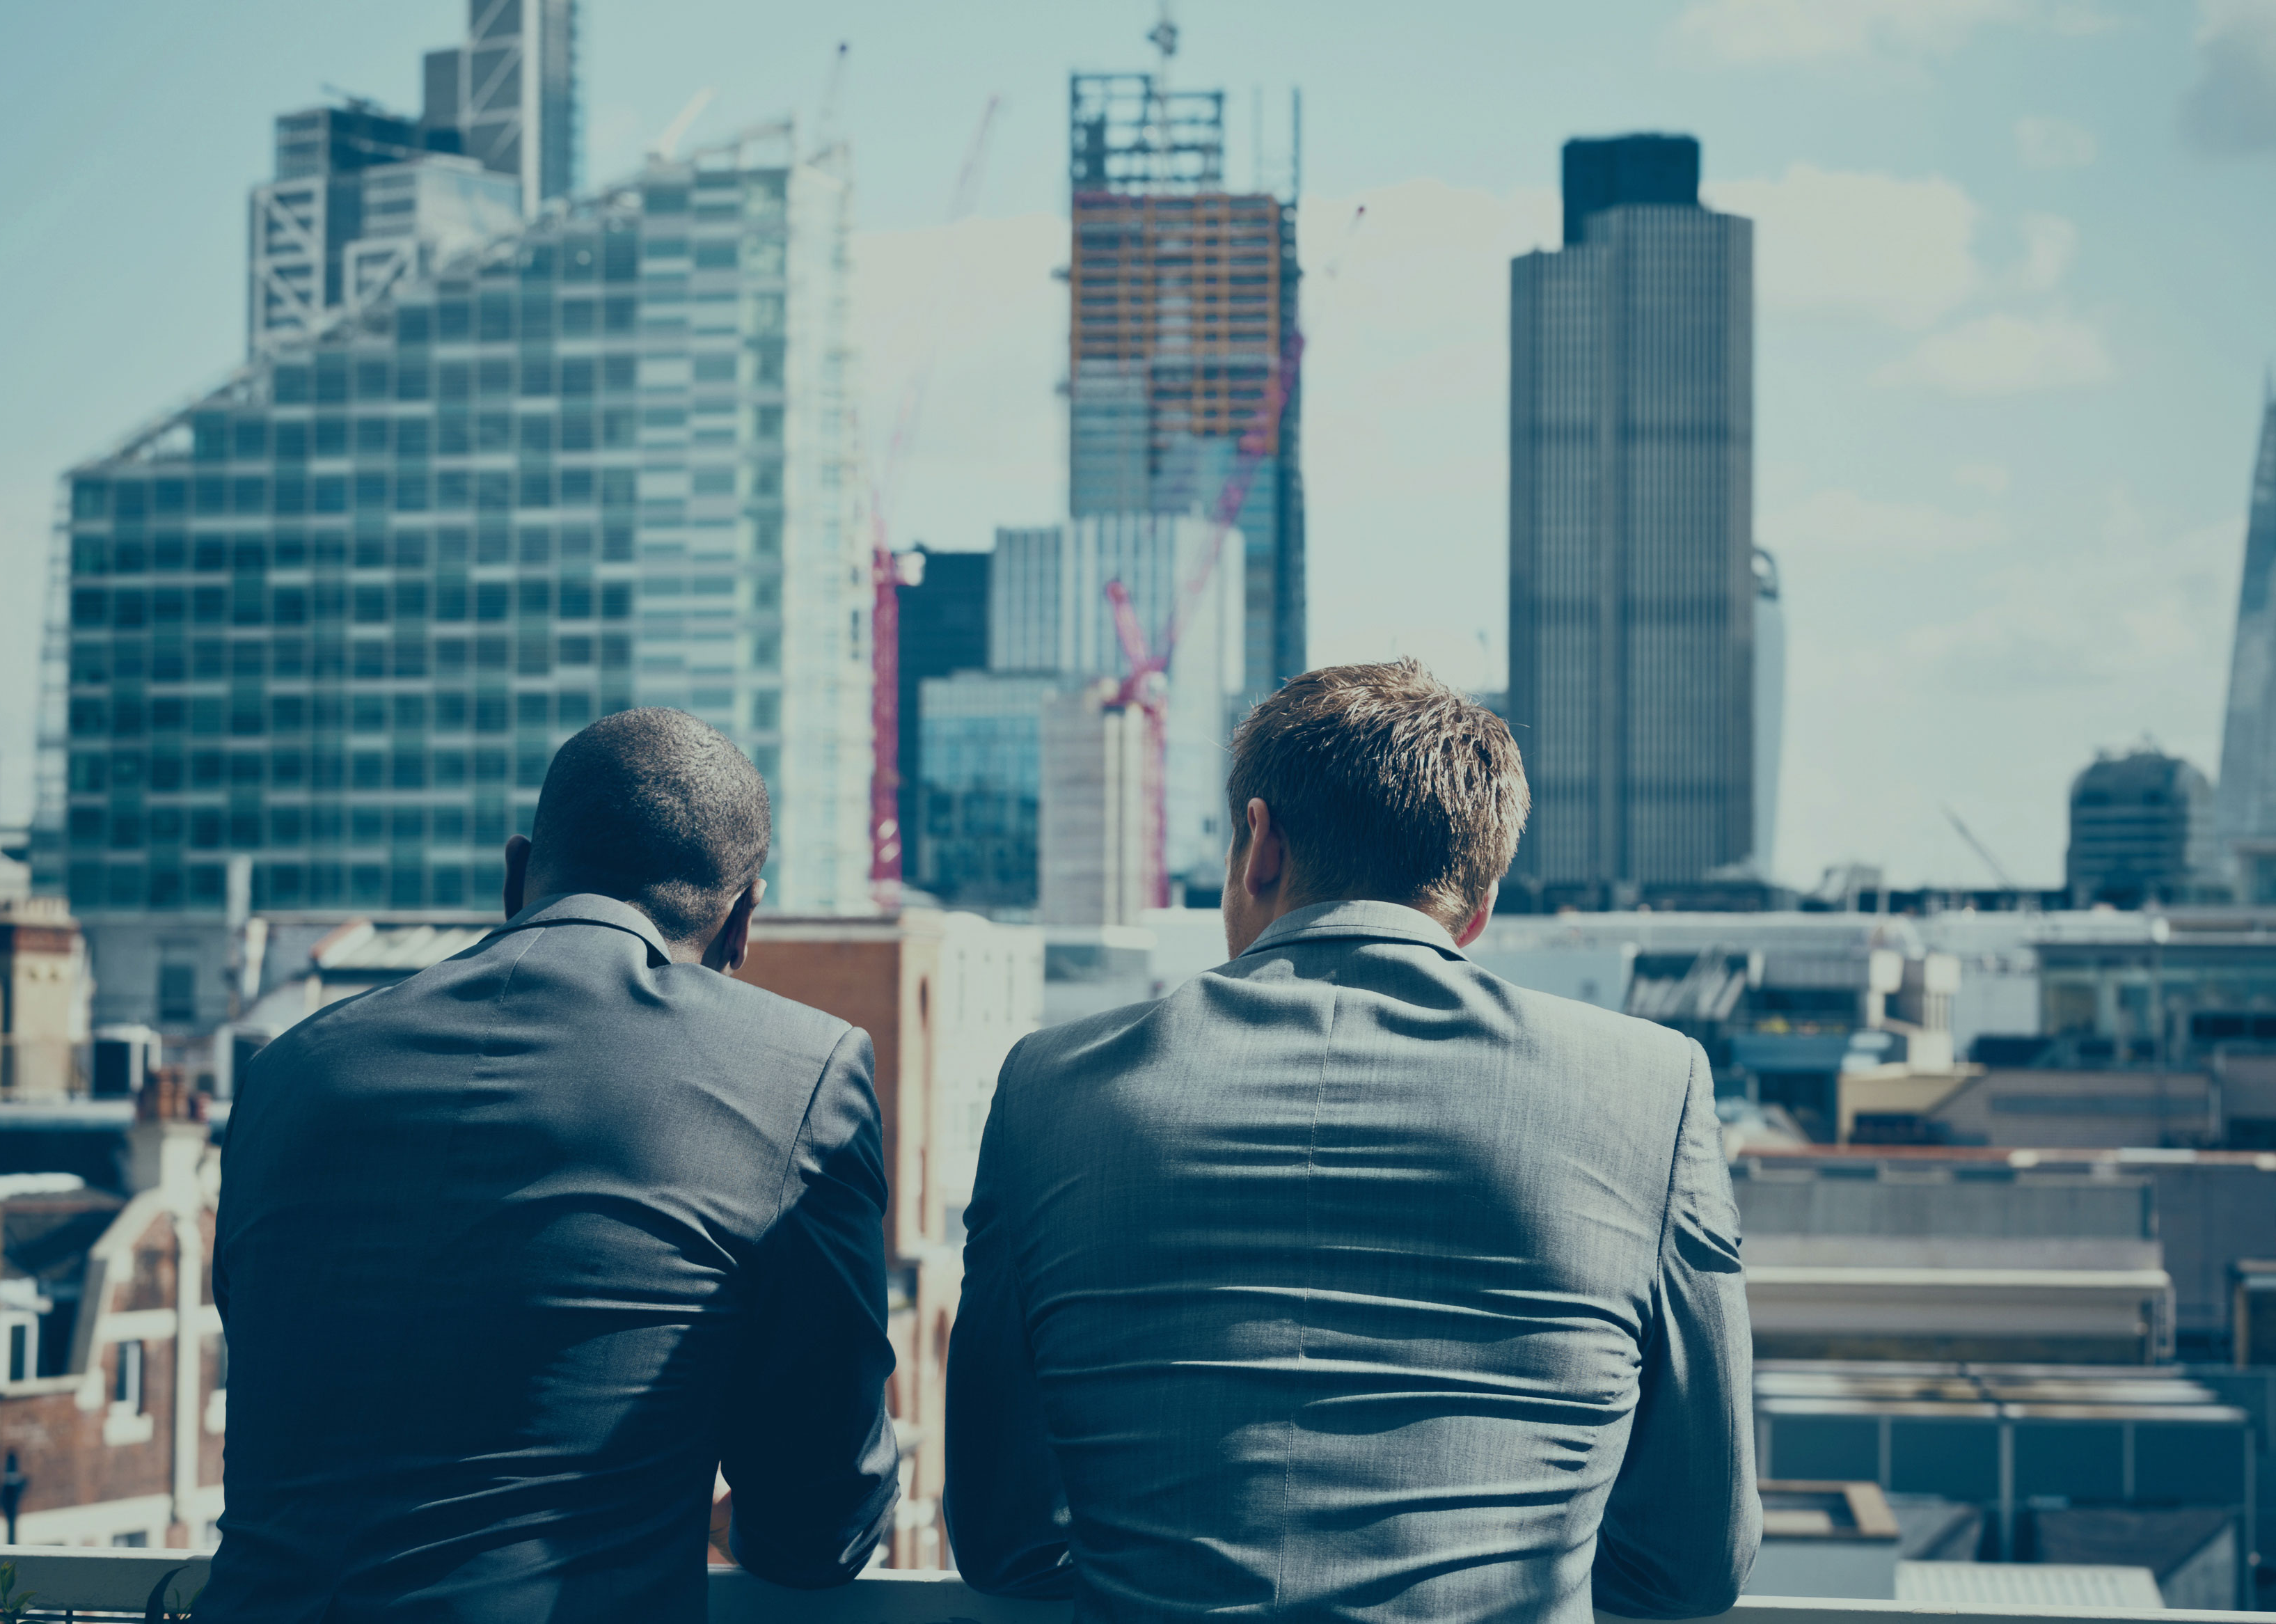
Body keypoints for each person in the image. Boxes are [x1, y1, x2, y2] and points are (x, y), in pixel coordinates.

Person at [945, 660, 1758, 1622]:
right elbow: (1694, 1563)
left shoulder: (1052, 1085)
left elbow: (1000, 1540)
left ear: (1259, 845)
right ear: (1480, 903)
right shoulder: (1651, 1087)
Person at [200, 709, 899, 1623]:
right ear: (743, 922)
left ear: (516, 873)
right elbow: (821, 1524)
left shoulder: (293, 1069)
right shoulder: (798, 1071)